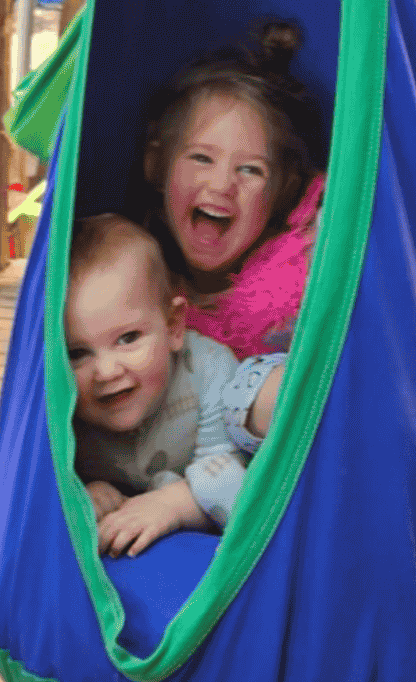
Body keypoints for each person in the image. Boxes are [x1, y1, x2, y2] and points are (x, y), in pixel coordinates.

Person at [141, 21, 326, 452]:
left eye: (251, 169)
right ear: (157, 167)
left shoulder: (305, 280)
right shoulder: (131, 271)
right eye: (201, 158)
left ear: (283, 192)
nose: (222, 184)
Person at [65, 214, 282, 557]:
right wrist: (91, 490)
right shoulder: (67, 407)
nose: (105, 372)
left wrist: (176, 503)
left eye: (128, 338)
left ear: (173, 326)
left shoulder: (210, 370)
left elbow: (235, 484)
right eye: (78, 353)